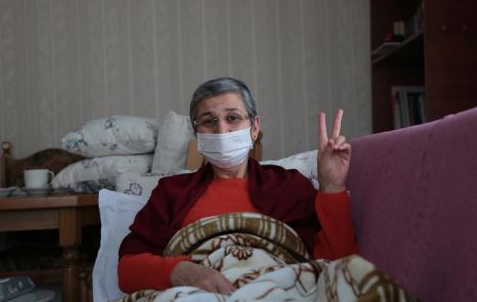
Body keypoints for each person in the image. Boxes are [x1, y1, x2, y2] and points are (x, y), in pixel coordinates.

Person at [118, 77, 358, 294]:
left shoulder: (288, 186)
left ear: (254, 128)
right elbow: (127, 271)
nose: (222, 130)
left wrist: (332, 187)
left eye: (232, 118)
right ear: (197, 134)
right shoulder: (171, 192)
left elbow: (336, 265)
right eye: (208, 121)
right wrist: (179, 272)